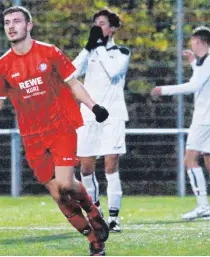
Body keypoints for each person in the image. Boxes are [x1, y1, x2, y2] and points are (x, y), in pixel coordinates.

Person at [0, 6, 110, 256]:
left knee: (66, 184)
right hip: (31, 136)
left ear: (29, 25)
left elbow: (73, 83)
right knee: (59, 195)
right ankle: (94, 240)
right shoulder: (2, 65)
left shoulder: (49, 52)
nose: (11, 26)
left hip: (61, 127)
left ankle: (92, 210)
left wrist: (94, 107)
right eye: (7, 22)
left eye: (17, 21)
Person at [151, 26, 210, 221]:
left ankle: (206, 206)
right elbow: (200, 81)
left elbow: (194, 85)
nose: (191, 45)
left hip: (207, 120)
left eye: (193, 42)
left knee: (190, 159)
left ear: (199, 41)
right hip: (205, 118)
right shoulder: (206, 62)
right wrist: (194, 64)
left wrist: (164, 90)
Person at [72, 8, 130, 232]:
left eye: (103, 24)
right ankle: (96, 214)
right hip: (89, 115)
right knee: (85, 168)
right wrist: (88, 48)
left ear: (113, 28)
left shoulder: (122, 52)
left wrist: (98, 46)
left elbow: (114, 71)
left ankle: (114, 218)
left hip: (113, 116)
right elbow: (72, 72)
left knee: (111, 165)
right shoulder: (92, 52)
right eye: (96, 24)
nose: (99, 27)